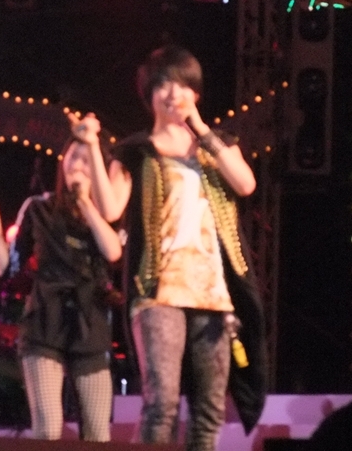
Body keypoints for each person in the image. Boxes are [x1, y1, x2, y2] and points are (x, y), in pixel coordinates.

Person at [69, 45, 267, 451]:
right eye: (163, 85)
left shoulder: (218, 145)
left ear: (196, 92)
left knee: (209, 411)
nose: (173, 93)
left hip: (214, 296)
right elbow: (111, 209)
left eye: (182, 84)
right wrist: (91, 146)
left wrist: (202, 130)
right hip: (159, 293)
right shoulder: (135, 151)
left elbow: (246, 184)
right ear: (150, 95)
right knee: (161, 404)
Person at [0, 136, 122, 442]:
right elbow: (8, 268)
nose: (77, 166)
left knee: (98, 434)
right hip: (44, 323)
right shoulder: (38, 207)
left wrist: (85, 202)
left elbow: (112, 252)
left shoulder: (109, 212)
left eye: (87, 160)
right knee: (47, 429)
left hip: (90, 326)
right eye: (73, 157)